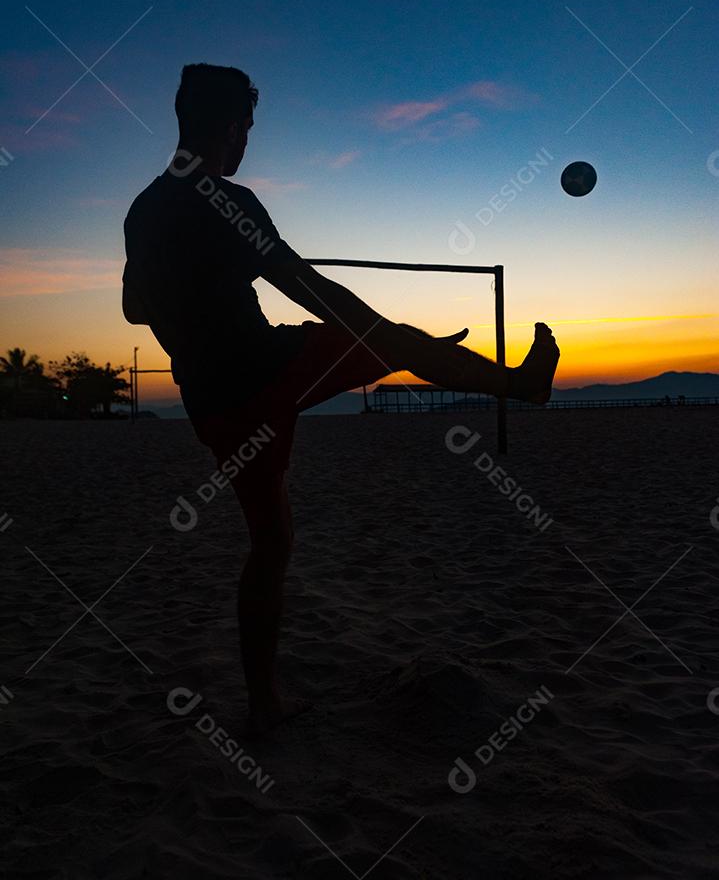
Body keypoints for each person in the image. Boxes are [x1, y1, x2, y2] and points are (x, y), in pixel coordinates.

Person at [122, 62, 560, 735]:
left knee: (270, 543)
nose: (247, 143)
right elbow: (315, 293)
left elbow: (132, 308)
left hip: (211, 405)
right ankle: (515, 383)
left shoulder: (141, 211)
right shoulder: (230, 202)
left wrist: (193, 306)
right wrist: (387, 340)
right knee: (393, 340)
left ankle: (264, 702)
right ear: (231, 128)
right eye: (247, 129)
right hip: (269, 371)